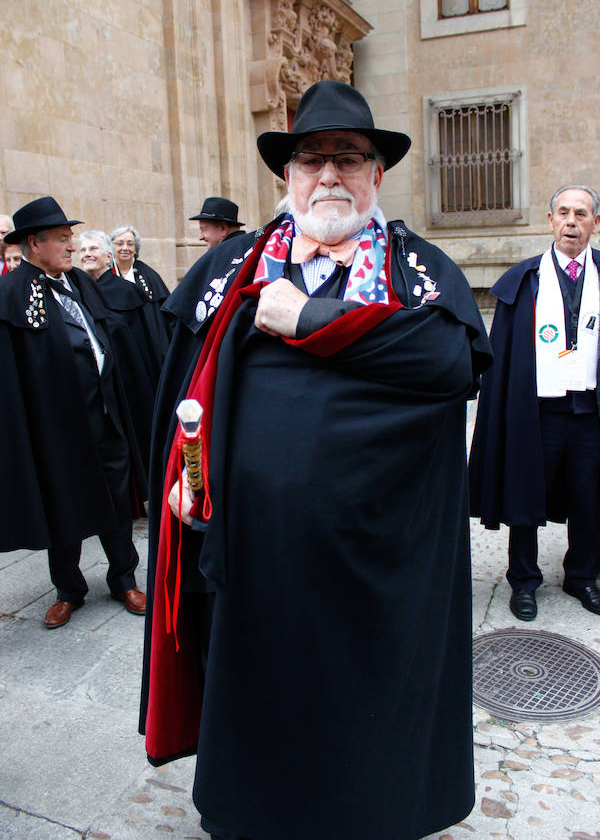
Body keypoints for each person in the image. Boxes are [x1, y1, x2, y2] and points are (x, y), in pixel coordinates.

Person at [141, 80, 492, 840]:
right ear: (288, 175)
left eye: (348, 157)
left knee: (360, 716)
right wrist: (179, 478)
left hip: (377, 562)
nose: (329, 174)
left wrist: (309, 317)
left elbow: (448, 361)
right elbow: (183, 390)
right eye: (311, 159)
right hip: (255, 553)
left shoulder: (414, 267)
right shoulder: (233, 265)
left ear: (377, 174)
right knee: (261, 702)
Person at [0, 197, 147, 628]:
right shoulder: (11, 293)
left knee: (117, 497)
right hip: (57, 426)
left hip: (105, 414)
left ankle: (124, 578)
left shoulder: (80, 282)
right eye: (63, 238)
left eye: (71, 237)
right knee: (63, 501)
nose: (71, 246)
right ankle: (68, 589)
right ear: (34, 243)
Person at [470, 184, 600, 621]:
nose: (571, 222)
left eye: (581, 214)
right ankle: (524, 580)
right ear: (550, 220)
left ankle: (582, 575)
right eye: (563, 212)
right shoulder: (525, 281)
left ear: (595, 223)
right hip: (538, 411)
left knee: (590, 497)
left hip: (591, 411)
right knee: (525, 492)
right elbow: (503, 358)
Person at [79, 230, 162, 471]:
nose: (87, 254)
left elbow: (143, 341)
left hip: (132, 380)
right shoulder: (78, 293)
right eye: (83, 250)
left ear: (108, 256)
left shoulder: (127, 291)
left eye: (93, 249)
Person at [109, 223, 172, 359]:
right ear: (111, 247)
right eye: (119, 243)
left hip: (147, 338)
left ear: (136, 249)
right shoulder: (105, 275)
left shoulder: (149, 275)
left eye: (130, 244)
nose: (125, 248)